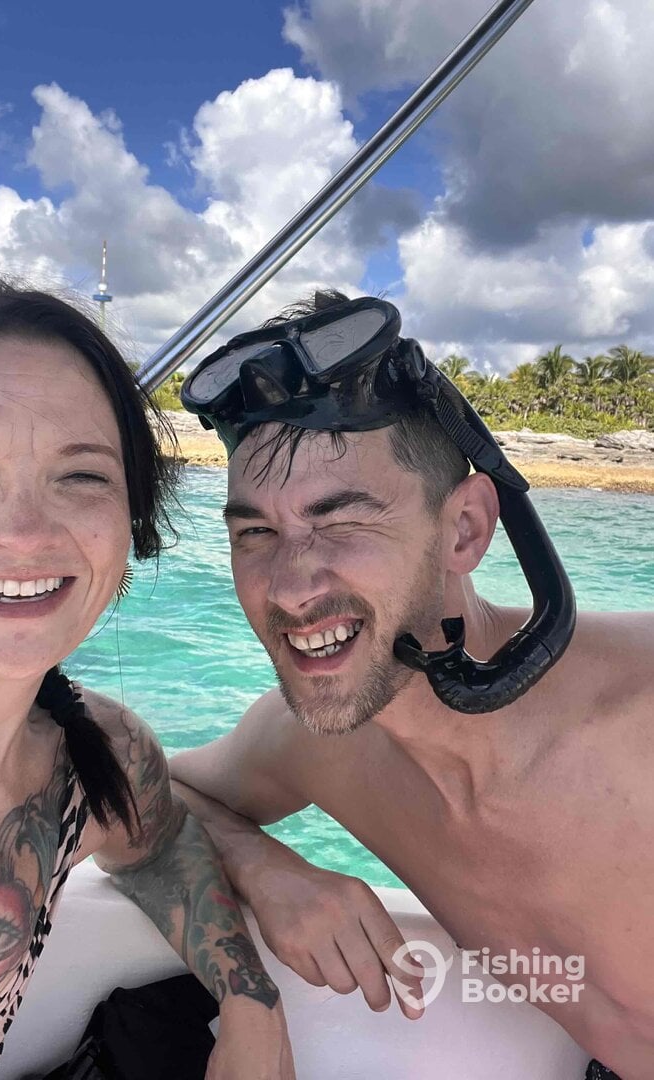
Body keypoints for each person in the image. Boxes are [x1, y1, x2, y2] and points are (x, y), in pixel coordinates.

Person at [170, 290, 654, 1080]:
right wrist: (262, 866)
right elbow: (134, 782)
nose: (289, 587)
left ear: (465, 529)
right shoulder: (320, 748)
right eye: (256, 532)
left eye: (342, 522)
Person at [0, 283, 294, 1080]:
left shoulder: (94, 757)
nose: (23, 533)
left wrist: (249, 997)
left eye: (82, 477)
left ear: (129, 520)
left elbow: (160, 844)